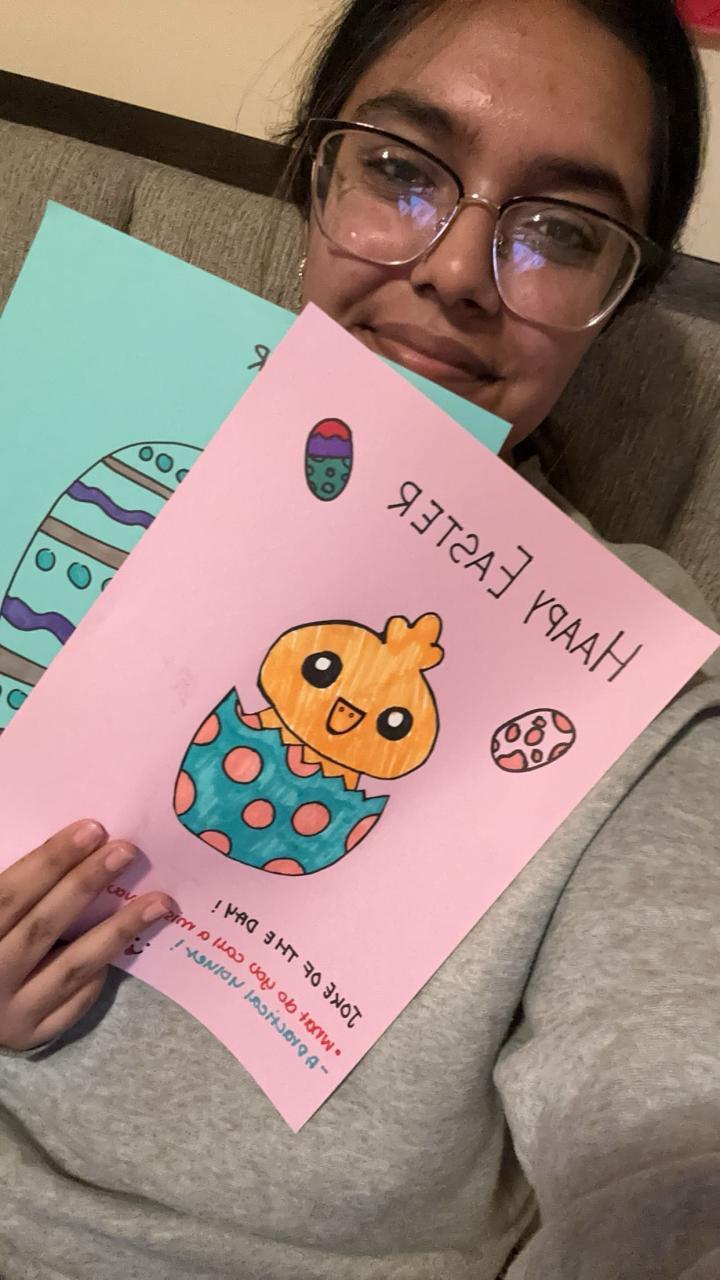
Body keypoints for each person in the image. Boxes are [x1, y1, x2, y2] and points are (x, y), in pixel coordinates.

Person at [1, 1, 718, 1276]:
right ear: (313, 178)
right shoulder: (81, 443)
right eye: (400, 169)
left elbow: (664, 1115)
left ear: (617, 299)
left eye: (561, 230)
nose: (457, 270)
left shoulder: (641, 676)